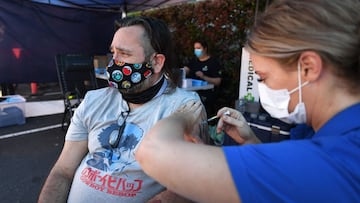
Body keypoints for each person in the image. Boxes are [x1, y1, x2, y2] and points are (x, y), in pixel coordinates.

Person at [135, 0, 360, 202]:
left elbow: (153, 151)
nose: (262, 89)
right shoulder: (322, 136)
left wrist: (185, 113)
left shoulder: (338, 159)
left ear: (309, 67)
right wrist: (250, 144)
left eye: (263, 77)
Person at [38, 16, 209, 203]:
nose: (113, 63)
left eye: (124, 54)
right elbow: (63, 170)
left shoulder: (185, 109)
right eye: (113, 52)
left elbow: (188, 188)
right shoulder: (94, 100)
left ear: (156, 62)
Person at [184, 39, 222, 117]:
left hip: (206, 95)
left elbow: (218, 81)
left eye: (198, 48)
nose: (196, 50)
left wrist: (204, 77)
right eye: (195, 48)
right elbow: (186, 69)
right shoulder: (193, 61)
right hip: (192, 93)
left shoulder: (213, 63)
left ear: (205, 49)